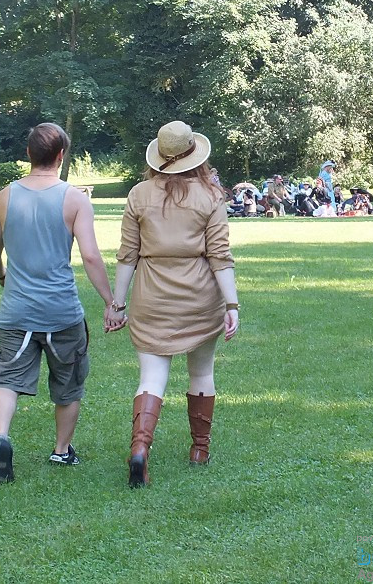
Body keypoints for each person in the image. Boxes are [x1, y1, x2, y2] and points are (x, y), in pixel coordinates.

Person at [107, 120, 239, 488]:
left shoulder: (138, 194)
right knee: (202, 372)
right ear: (195, 155)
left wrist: (118, 304)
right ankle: (199, 448)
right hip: (200, 298)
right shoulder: (211, 197)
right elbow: (220, 257)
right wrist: (232, 305)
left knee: (151, 377)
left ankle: (140, 449)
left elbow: (127, 256)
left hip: (151, 298)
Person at [0, 122, 115, 484]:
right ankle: (61, 451)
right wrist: (111, 300)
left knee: (7, 380)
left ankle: (1, 439)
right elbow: (90, 257)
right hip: (62, 313)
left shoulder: (4, 197)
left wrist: (2, 278)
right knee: (68, 382)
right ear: (61, 156)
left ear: (28, 154)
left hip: (16, 312)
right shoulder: (75, 199)